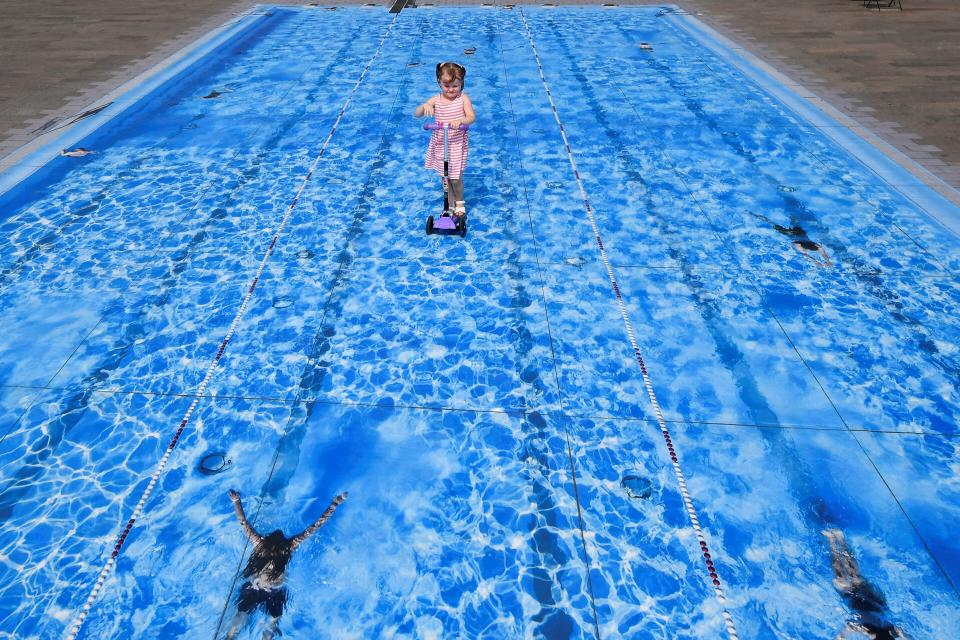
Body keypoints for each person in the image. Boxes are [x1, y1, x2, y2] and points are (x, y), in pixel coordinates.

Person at [225, 489, 348, 640]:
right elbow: (313, 528)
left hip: (254, 586)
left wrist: (236, 501)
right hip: (275, 591)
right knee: (273, 620)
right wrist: (334, 504)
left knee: (241, 613)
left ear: (268, 538)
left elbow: (243, 523)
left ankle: (230, 637)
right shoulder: (289, 547)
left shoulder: (259, 543)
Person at [414, 62, 476, 218]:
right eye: (446, 85)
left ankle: (460, 202)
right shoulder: (436, 99)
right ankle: (449, 205)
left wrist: (461, 121)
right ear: (439, 83)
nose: (450, 90)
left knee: (455, 178)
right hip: (440, 143)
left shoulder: (463, 98)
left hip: (456, 144)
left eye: (455, 86)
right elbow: (417, 114)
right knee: (445, 178)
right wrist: (425, 105)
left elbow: (471, 117)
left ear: (461, 83)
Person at [822, 529, 906, 639]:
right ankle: (831, 540)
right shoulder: (868, 630)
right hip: (858, 602)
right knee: (840, 579)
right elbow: (847, 630)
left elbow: (902, 633)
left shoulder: (891, 630)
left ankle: (841, 539)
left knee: (856, 576)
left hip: (877, 602)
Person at [750, 211, 832, 268]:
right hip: (792, 233)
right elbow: (806, 254)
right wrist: (818, 261)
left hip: (798, 232)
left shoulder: (809, 243)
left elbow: (820, 251)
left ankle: (754, 215)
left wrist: (826, 261)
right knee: (773, 223)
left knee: (777, 222)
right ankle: (755, 215)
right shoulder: (800, 245)